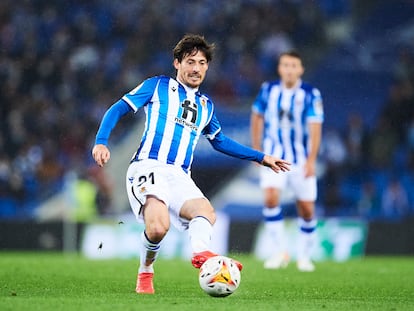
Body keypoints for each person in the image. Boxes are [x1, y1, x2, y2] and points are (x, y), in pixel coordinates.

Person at [92, 34, 290, 294]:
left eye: (202, 63)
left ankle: (202, 255)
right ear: (177, 63)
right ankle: (146, 271)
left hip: (179, 174)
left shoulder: (206, 106)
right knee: (158, 227)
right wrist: (101, 141)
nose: (196, 68)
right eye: (190, 61)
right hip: (148, 166)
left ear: (207, 67)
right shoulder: (157, 86)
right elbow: (118, 108)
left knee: (206, 212)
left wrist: (261, 157)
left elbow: (220, 142)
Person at [250, 50, 323, 272]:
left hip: (300, 160)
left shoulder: (311, 93)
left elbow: (315, 128)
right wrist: (257, 151)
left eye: (294, 65)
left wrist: (311, 160)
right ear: (280, 68)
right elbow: (256, 116)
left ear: (300, 69)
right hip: (273, 157)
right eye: (285, 65)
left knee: (307, 209)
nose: (289, 69)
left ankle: (304, 256)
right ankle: (280, 251)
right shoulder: (268, 90)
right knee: (271, 198)